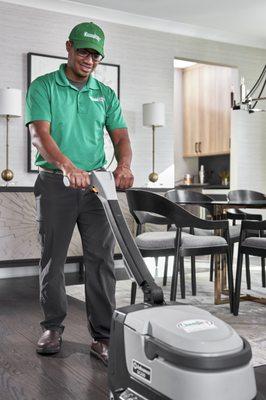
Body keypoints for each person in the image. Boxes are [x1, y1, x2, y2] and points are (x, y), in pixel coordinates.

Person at [25, 21, 134, 365]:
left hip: (97, 187)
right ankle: (53, 327)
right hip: (56, 183)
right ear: (69, 47)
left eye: (96, 54)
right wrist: (67, 167)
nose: (90, 59)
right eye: (84, 51)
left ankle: (103, 336)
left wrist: (124, 166)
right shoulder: (43, 86)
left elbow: (120, 138)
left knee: (101, 261)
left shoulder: (106, 93)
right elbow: (39, 134)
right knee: (52, 259)